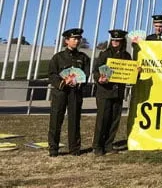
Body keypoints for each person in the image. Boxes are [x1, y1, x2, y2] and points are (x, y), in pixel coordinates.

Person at [47, 28, 91, 157]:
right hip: (60, 92)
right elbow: (52, 74)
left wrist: (80, 82)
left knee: (74, 120)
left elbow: (86, 75)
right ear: (67, 41)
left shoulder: (83, 58)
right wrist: (62, 82)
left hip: (75, 93)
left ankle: (74, 149)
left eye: (78, 39)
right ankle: (53, 148)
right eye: (74, 39)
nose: (77, 41)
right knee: (56, 120)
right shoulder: (58, 57)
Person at [92, 29, 131, 156]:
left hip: (118, 92)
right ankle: (97, 146)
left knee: (115, 119)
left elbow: (129, 72)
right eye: (113, 40)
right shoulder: (104, 54)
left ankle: (109, 144)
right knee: (102, 119)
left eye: (118, 40)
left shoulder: (126, 56)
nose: (115, 42)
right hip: (105, 92)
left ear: (122, 41)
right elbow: (96, 71)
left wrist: (136, 71)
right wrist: (99, 78)